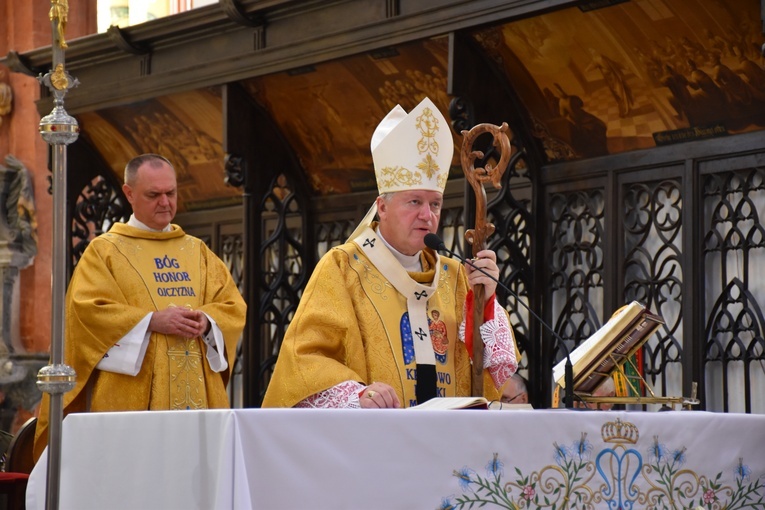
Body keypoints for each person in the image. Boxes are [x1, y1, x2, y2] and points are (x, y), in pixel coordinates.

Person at [262, 97, 518, 409]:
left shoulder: (455, 277)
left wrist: (487, 299)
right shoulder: (343, 268)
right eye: (414, 202)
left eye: (434, 204)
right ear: (382, 207)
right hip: (375, 443)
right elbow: (304, 360)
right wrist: (359, 396)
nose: (427, 214)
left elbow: (494, 372)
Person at [33, 153, 247, 460]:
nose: (165, 202)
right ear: (129, 193)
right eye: (154, 195)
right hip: (130, 397)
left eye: (170, 193)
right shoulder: (105, 251)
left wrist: (207, 322)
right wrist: (150, 321)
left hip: (198, 395)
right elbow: (86, 311)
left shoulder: (197, 250)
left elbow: (231, 305)